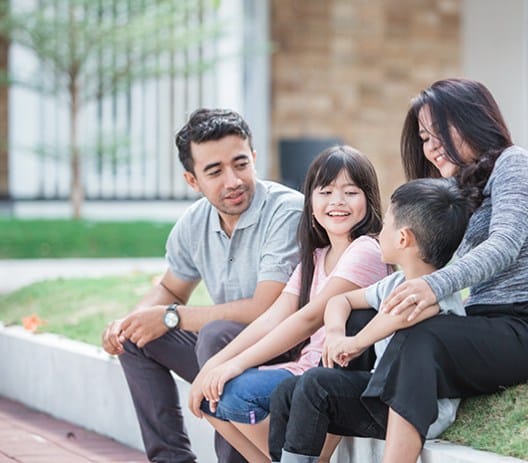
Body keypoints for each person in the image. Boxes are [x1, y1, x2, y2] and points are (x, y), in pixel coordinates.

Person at [273, 78, 528, 463]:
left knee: (422, 335)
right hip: (485, 324)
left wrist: (432, 288)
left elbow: (503, 245)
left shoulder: (516, 164)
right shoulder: (460, 187)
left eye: (439, 133)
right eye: (423, 137)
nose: (431, 147)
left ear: (473, 121)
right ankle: (333, 412)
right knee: (359, 321)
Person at [101, 108, 304, 463]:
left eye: (241, 164)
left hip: (284, 350)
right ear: (192, 180)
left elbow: (265, 309)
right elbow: (171, 288)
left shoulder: (285, 211)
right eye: (215, 171)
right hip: (227, 351)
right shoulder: (195, 223)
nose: (233, 180)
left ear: (254, 158)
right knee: (137, 338)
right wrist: (128, 323)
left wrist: (170, 317)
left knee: (215, 334)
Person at [187, 145, 392, 462]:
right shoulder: (315, 257)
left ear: (368, 200)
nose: (337, 202)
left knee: (236, 395)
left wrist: (236, 365)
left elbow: (310, 318)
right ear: (310, 202)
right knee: (207, 398)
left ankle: (310, 456)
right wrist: (213, 366)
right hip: (304, 368)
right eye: (325, 192)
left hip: (331, 378)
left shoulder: (366, 250)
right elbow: (273, 317)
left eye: (350, 192)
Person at [268, 177, 471, 462]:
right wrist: (337, 334)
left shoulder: (436, 293)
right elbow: (342, 300)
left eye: (386, 223)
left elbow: (397, 317)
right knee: (287, 392)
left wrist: (357, 342)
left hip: (415, 411)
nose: (379, 232)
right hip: (383, 394)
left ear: (403, 238)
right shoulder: (396, 282)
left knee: (316, 385)